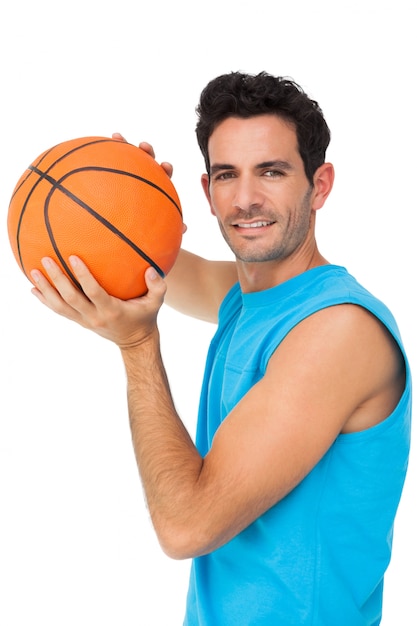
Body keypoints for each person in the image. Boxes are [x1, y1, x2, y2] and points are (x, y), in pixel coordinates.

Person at [30, 71, 412, 625]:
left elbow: (186, 527)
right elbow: (142, 262)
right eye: (227, 175)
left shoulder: (337, 330)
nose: (246, 198)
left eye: (272, 172)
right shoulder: (248, 296)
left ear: (320, 185)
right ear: (207, 192)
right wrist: (128, 200)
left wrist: (139, 346)